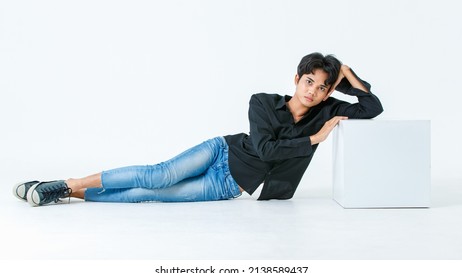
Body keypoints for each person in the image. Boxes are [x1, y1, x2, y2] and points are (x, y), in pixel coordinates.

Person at [13, 52, 383, 207]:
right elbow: (268, 150)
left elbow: (373, 107)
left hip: (230, 185)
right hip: (222, 150)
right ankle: (67, 183)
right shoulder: (262, 101)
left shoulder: (329, 108)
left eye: (322, 87)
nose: (313, 91)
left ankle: (65, 196)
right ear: (297, 78)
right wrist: (314, 140)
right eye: (309, 81)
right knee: (156, 176)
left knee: (148, 196)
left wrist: (347, 77)